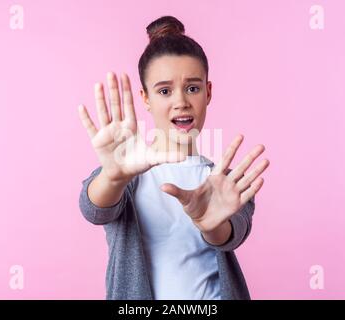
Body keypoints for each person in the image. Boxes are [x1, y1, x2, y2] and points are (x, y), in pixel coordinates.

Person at [78, 15, 270, 300]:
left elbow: (233, 235)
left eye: (192, 88)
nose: (181, 101)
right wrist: (113, 177)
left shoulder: (225, 182)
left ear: (208, 92)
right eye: (164, 91)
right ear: (145, 98)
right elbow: (94, 209)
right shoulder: (127, 174)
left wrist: (211, 224)